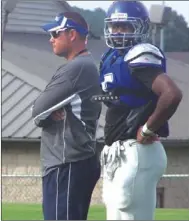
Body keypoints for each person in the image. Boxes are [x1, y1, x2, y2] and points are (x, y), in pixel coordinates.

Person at [97, 1, 182, 220]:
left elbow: (171, 94)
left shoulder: (140, 55)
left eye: (125, 26)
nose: (118, 32)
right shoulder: (110, 57)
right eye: (115, 26)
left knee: (132, 213)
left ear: (140, 27)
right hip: (118, 150)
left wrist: (147, 128)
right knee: (116, 213)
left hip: (138, 150)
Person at [31, 11, 101, 220]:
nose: (51, 39)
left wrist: (47, 113)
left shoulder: (76, 68)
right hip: (73, 162)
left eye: (55, 33)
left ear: (72, 34)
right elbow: (43, 110)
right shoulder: (84, 65)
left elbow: (37, 111)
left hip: (67, 162)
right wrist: (47, 112)